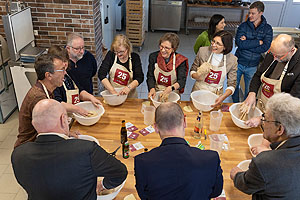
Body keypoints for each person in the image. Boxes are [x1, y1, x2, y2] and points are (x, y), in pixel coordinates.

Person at [12, 99, 128, 200]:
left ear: (34, 124)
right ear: (63, 120)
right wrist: (102, 185)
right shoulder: (86, 150)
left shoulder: (18, 155)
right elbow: (120, 172)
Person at [134, 102, 223, 199]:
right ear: (185, 122)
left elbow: (144, 196)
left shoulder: (142, 162)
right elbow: (216, 192)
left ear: (155, 127)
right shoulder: (211, 158)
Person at [230, 93, 300, 199]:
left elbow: (246, 185)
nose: (263, 123)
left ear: (280, 129)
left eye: (265, 119)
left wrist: (236, 175)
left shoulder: (264, 163)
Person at [241, 34, 300, 155]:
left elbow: (290, 104)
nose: (275, 58)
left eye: (279, 56)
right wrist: (252, 93)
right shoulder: (274, 54)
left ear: (292, 50)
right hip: (262, 107)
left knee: (265, 148)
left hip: (278, 118)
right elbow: (258, 75)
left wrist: (264, 118)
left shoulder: (298, 67)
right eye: (272, 54)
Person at [15, 54, 88, 148]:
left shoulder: (48, 90)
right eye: (62, 70)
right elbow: (49, 133)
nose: (65, 73)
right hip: (30, 148)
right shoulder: (39, 98)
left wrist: (68, 133)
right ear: (48, 75)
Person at [232, 1, 273, 103]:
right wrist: (258, 42)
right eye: (249, 13)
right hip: (238, 62)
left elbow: (265, 47)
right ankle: (235, 104)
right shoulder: (243, 26)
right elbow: (239, 44)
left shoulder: (268, 29)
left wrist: (247, 43)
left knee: (249, 91)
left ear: (261, 13)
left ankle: (245, 108)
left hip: (253, 65)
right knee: (233, 87)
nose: (250, 15)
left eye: (253, 13)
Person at [190, 30, 237, 107]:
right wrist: (196, 76)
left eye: (218, 43)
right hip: (199, 90)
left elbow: (232, 84)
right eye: (213, 41)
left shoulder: (232, 60)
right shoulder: (203, 51)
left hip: (216, 95)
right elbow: (193, 70)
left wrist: (223, 97)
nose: (213, 45)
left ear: (225, 47)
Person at [147, 33, 189, 99]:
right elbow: (150, 76)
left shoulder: (180, 60)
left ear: (173, 49)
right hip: (156, 92)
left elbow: (181, 81)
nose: (163, 50)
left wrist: (171, 88)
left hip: (172, 93)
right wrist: (152, 88)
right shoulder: (153, 57)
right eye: (161, 46)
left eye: (167, 48)